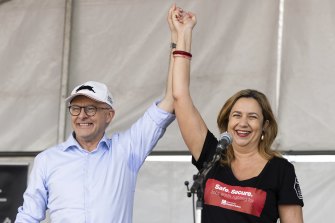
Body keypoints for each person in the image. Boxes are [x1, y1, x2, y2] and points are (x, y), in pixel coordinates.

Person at [15, 6, 178, 221]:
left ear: (108, 115)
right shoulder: (47, 160)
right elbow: (28, 216)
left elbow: (171, 100)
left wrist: (178, 37)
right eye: (76, 108)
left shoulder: (126, 150)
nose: (82, 115)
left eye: (91, 108)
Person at [169, 6, 304, 223]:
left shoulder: (281, 170)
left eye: (252, 117)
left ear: (265, 125)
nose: (243, 123)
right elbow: (180, 97)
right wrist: (183, 34)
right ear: (227, 120)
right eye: (236, 115)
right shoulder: (212, 156)